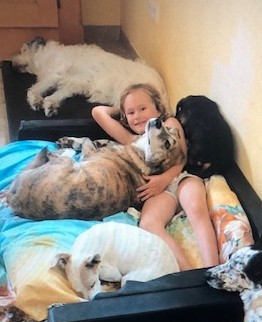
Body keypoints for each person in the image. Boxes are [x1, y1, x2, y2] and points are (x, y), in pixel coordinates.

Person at [91, 83, 219, 271]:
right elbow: (98, 112)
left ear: (158, 109)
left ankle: (212, 269)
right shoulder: (133, 140)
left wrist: (164, 179)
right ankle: (189, 275)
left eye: (143, 108)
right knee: (148, 224)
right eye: (131, 113)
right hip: (159, 193)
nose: (137, 116)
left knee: (196, 209)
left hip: (181, 178)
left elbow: (181, 158)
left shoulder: (168, 124)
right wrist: (123, 110)